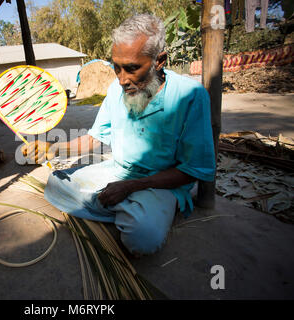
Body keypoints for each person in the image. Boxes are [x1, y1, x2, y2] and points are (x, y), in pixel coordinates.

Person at [21, 13, 216, 256]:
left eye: (132, 68)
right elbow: (95, 137)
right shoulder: (116, 90)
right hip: (118, 170)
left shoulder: (191, 95)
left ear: (160, 61)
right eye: (116, 67)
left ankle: (146, 210)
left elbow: (194, 169)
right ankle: (133, 211)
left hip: (161, 184)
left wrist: (133, 186)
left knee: (142, 238)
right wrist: (53, 148)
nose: (122, 80)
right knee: (56, 183)